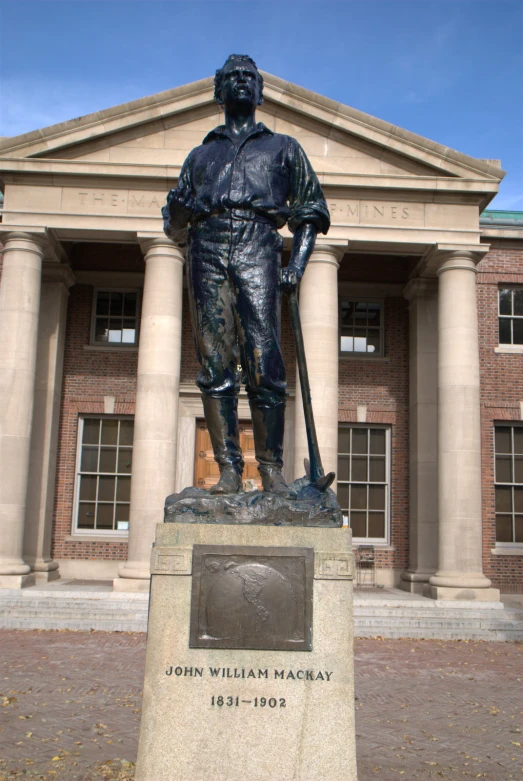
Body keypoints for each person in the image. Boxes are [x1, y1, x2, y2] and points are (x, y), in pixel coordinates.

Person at [163, 54, 330, 496]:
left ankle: (271, 469)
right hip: (207, 247)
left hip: (259, 243)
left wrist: (296, 264)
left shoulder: (283, 148)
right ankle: (229, 471)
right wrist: (178, 215)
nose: (241, 82)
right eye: (232, 77)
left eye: (249, 77)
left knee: (264, 360)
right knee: (215, 363)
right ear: (219, 92)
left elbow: (311, 212)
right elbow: (174, 225)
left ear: (259, 91)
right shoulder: (200, 155)